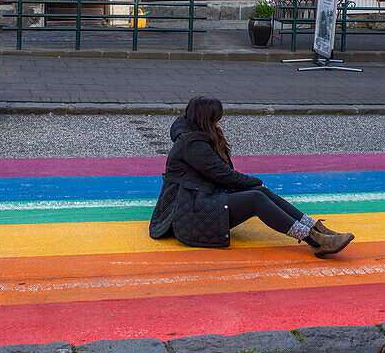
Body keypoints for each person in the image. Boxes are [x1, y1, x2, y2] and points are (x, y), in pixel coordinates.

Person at [150, 96, 354, 256]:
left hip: (200, 198)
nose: (222, 119)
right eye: (219, 116)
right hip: (189, 210)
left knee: (257, 191)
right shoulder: (193, 145)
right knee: (256, 196)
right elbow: (224, 175)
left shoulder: (198, 136)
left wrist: (255, 184)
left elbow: (223, 174)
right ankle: (314, 241)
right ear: (209, 119)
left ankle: (314, 227)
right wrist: (257, 182)